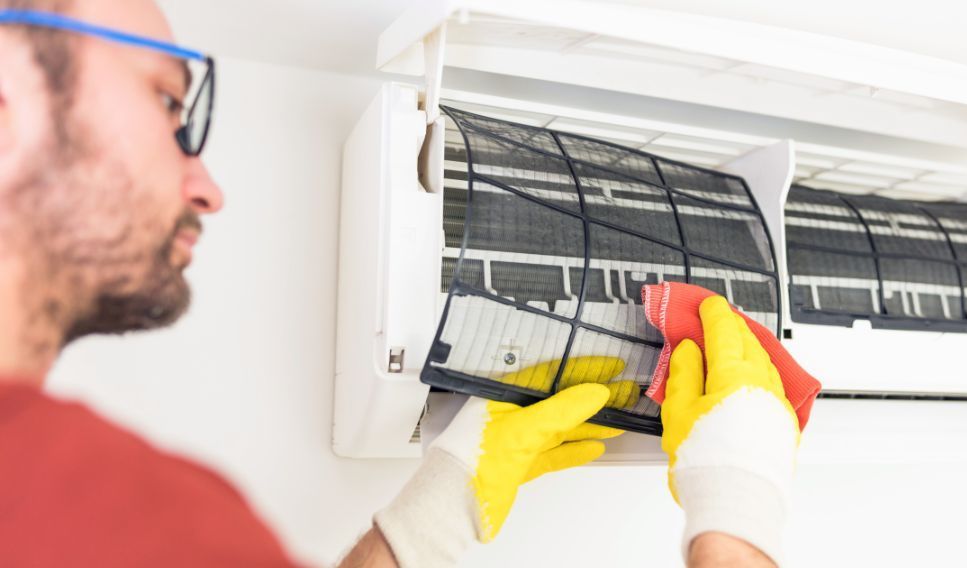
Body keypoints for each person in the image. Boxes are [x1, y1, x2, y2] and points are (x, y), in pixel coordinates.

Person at [0, 1, 802, 567]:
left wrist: (426, 522)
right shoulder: (80, 500)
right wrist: (736, 526)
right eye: (169, 101)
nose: (206, 183)